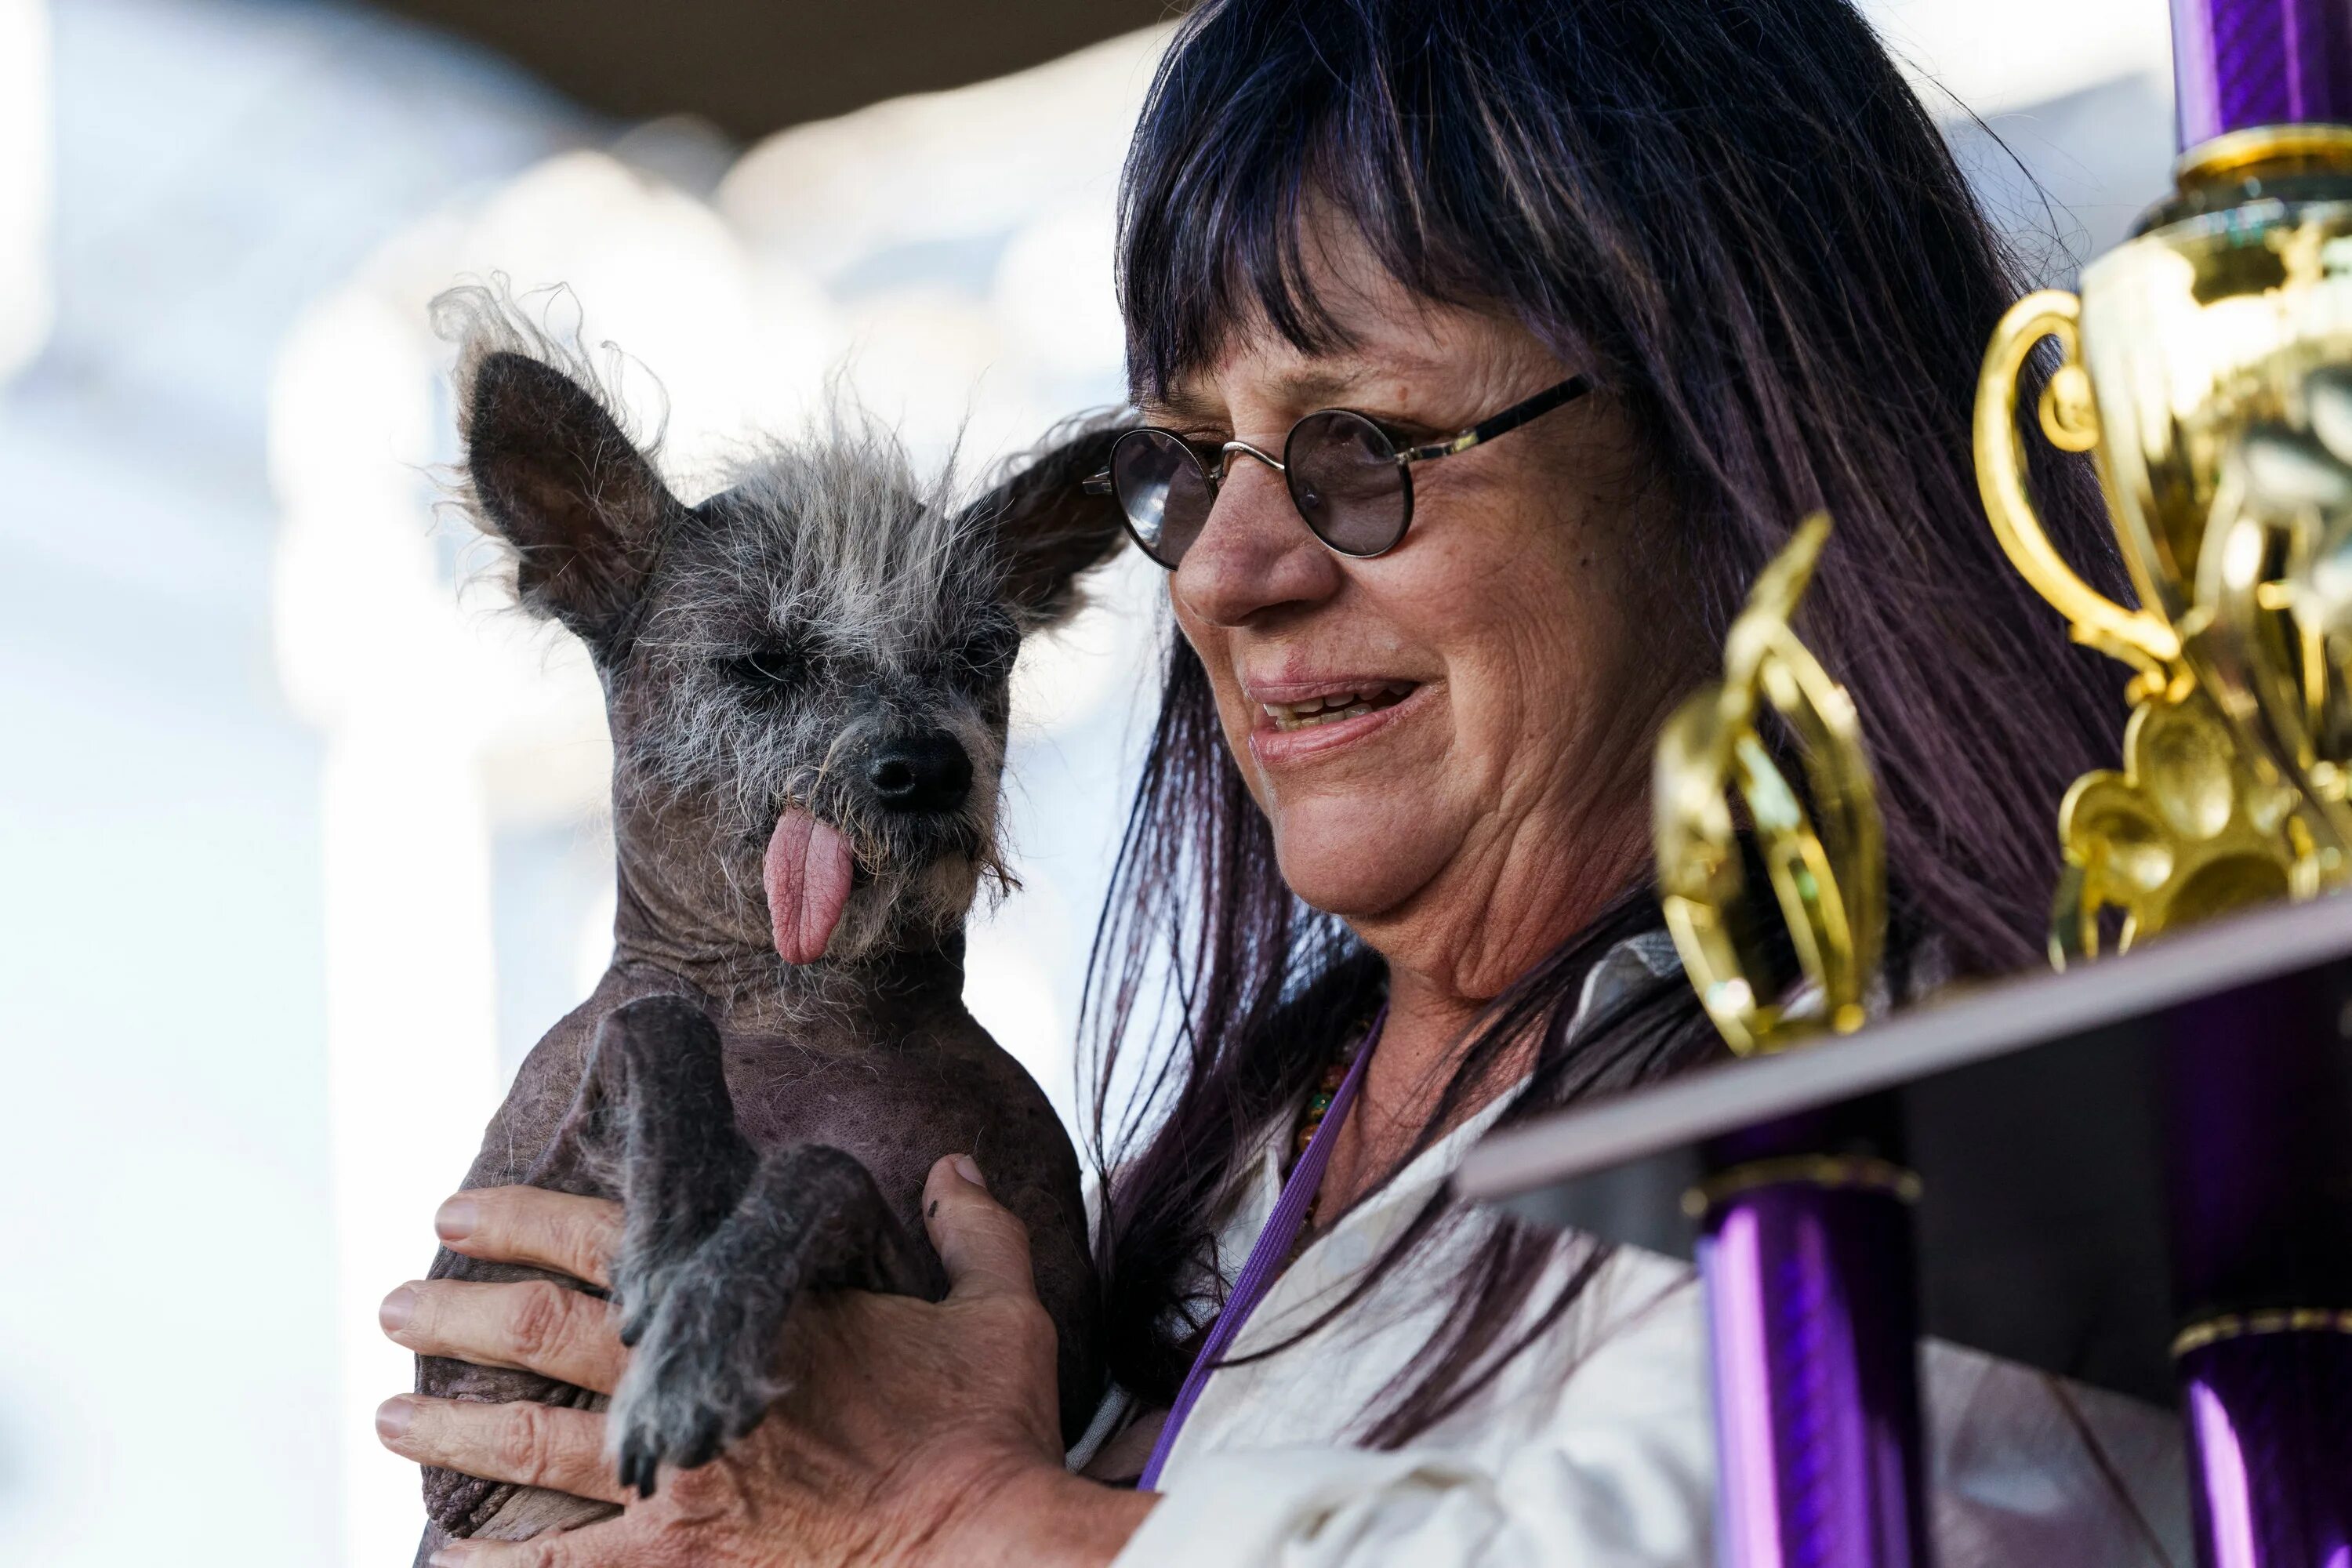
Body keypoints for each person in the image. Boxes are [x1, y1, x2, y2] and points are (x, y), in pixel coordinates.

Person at [369, 0, 2192, 1562]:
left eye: (1367, 446)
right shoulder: (1223, 1173)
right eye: (1189, 460)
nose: (1229, 572)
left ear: (1732, 436)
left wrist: (972, 1512)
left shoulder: (1995, 1101)